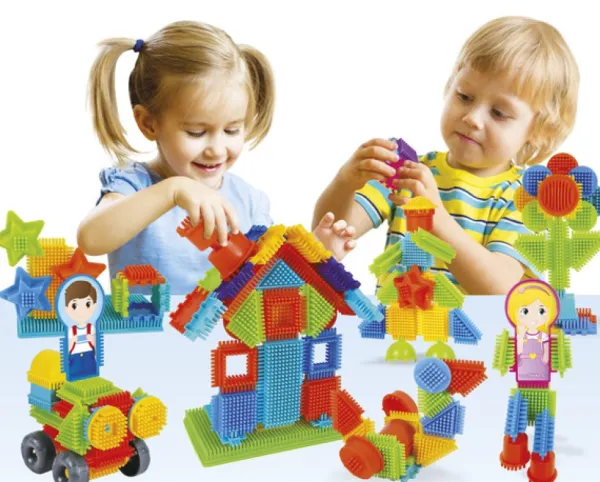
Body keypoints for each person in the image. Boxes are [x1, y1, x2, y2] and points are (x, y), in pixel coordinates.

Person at [78, 20, 355, 294]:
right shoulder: (133, 186)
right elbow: (90, 238)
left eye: (232, 130)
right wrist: (173, 190)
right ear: (149, 124)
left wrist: (315, 259)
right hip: (146, 325)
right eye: (197, 132)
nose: (217, 149)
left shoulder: (248, 201)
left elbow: (269, 284)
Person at [313, 16, 579, 294]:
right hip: (396, 321)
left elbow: (502, 290)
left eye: (499, 113)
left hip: (472, 325)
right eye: (464, 96)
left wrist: (436, 220)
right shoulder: (410, 173)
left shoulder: (526, 200)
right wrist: (346, 181)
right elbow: (330, 235)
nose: (472, 118)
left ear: (539, 130)